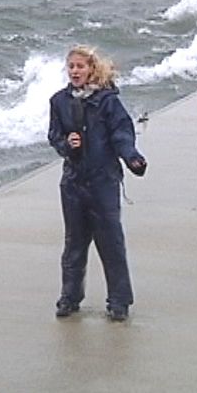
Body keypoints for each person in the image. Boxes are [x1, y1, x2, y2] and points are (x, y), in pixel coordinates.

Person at [48, 45, 147, 322]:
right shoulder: (58, 101)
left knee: (111, 242)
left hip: (103, 181)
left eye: (80, 66)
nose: (75, 71)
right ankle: (69, 297)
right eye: (71, 67)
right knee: (74, 244)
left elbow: (121, 133)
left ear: (91, 69)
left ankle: (119, 301)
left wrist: (132, 158)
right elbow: (54, 136)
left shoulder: (107, 101)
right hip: (73, 182)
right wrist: (67, 144)